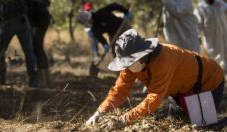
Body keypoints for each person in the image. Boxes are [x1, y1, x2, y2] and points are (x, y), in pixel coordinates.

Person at [85, 29, 224, 129]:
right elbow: (119, 90)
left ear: (141, 56)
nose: (125, 67)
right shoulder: (132, 66)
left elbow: (155, 98)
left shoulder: (164, 59)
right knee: (177, 122)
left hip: (207, 81)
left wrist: (123, 120)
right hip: (178, 90)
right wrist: (100, 112)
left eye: (128, 62)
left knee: (203, 127)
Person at [0, 0, 39, 87]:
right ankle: (34, 80)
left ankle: (0, 79)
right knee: (29, 51)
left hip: (10, 21)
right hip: (22, 20)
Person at [194, 0, 227, 74]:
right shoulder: (200, 9)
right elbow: (197, 27)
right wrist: (198, 38)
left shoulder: (220, 3)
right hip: (212, 41)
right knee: (215, 60)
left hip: (224, 36)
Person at [25, 0, 51, 86]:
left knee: (38, 48)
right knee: (38, 48)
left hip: (40, 19)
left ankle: (43, 80)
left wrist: (35, 26)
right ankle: (47, 78)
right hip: (41, 18)